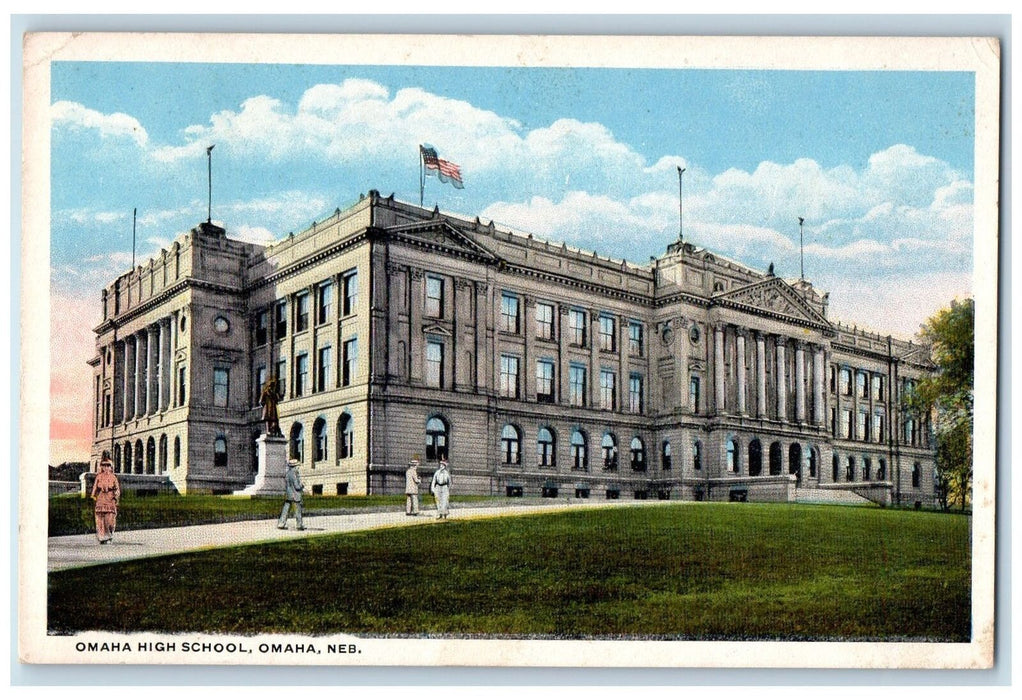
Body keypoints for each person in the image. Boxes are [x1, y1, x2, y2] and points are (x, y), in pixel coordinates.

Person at [90, 453, 120, 544]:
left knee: (109, 520)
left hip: (110, 498)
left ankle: (109, 535)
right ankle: (102, 537)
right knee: (100, 519)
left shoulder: (113, 477)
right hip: (101, 498)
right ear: (102, 467)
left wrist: (116, 497)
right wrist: (93, 496)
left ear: (111, 467)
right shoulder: (99, 476)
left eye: (108, 466)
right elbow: (95, 487)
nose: (106, 468)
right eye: (104, 466)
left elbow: (117, 489)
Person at [277, 457, 305, 530]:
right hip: (295, 495)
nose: (298, 467)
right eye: (297, 466)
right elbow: (297, 486)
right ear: (295, 466)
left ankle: (281, 523)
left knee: (285, 510)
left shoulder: (287, 474)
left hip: (289, 494)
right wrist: (302, 486)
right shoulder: (295, 474)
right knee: (298, 510)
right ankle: (299, 525)